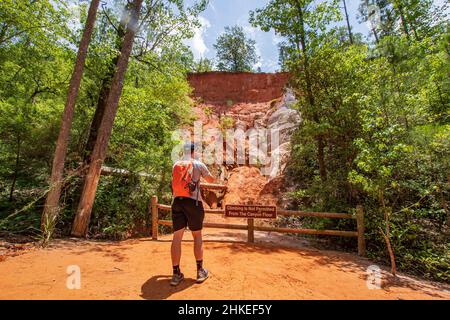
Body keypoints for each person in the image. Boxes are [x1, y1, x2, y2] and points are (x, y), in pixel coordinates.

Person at [170, 143, 215, 286]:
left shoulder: (176, 164)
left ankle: (176, 274)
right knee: (197, 235)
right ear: (194, 151)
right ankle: (200, 271)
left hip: (177, 201)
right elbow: (211, 180)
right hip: (193, 203)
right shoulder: (198, 164)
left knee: (177, 237)